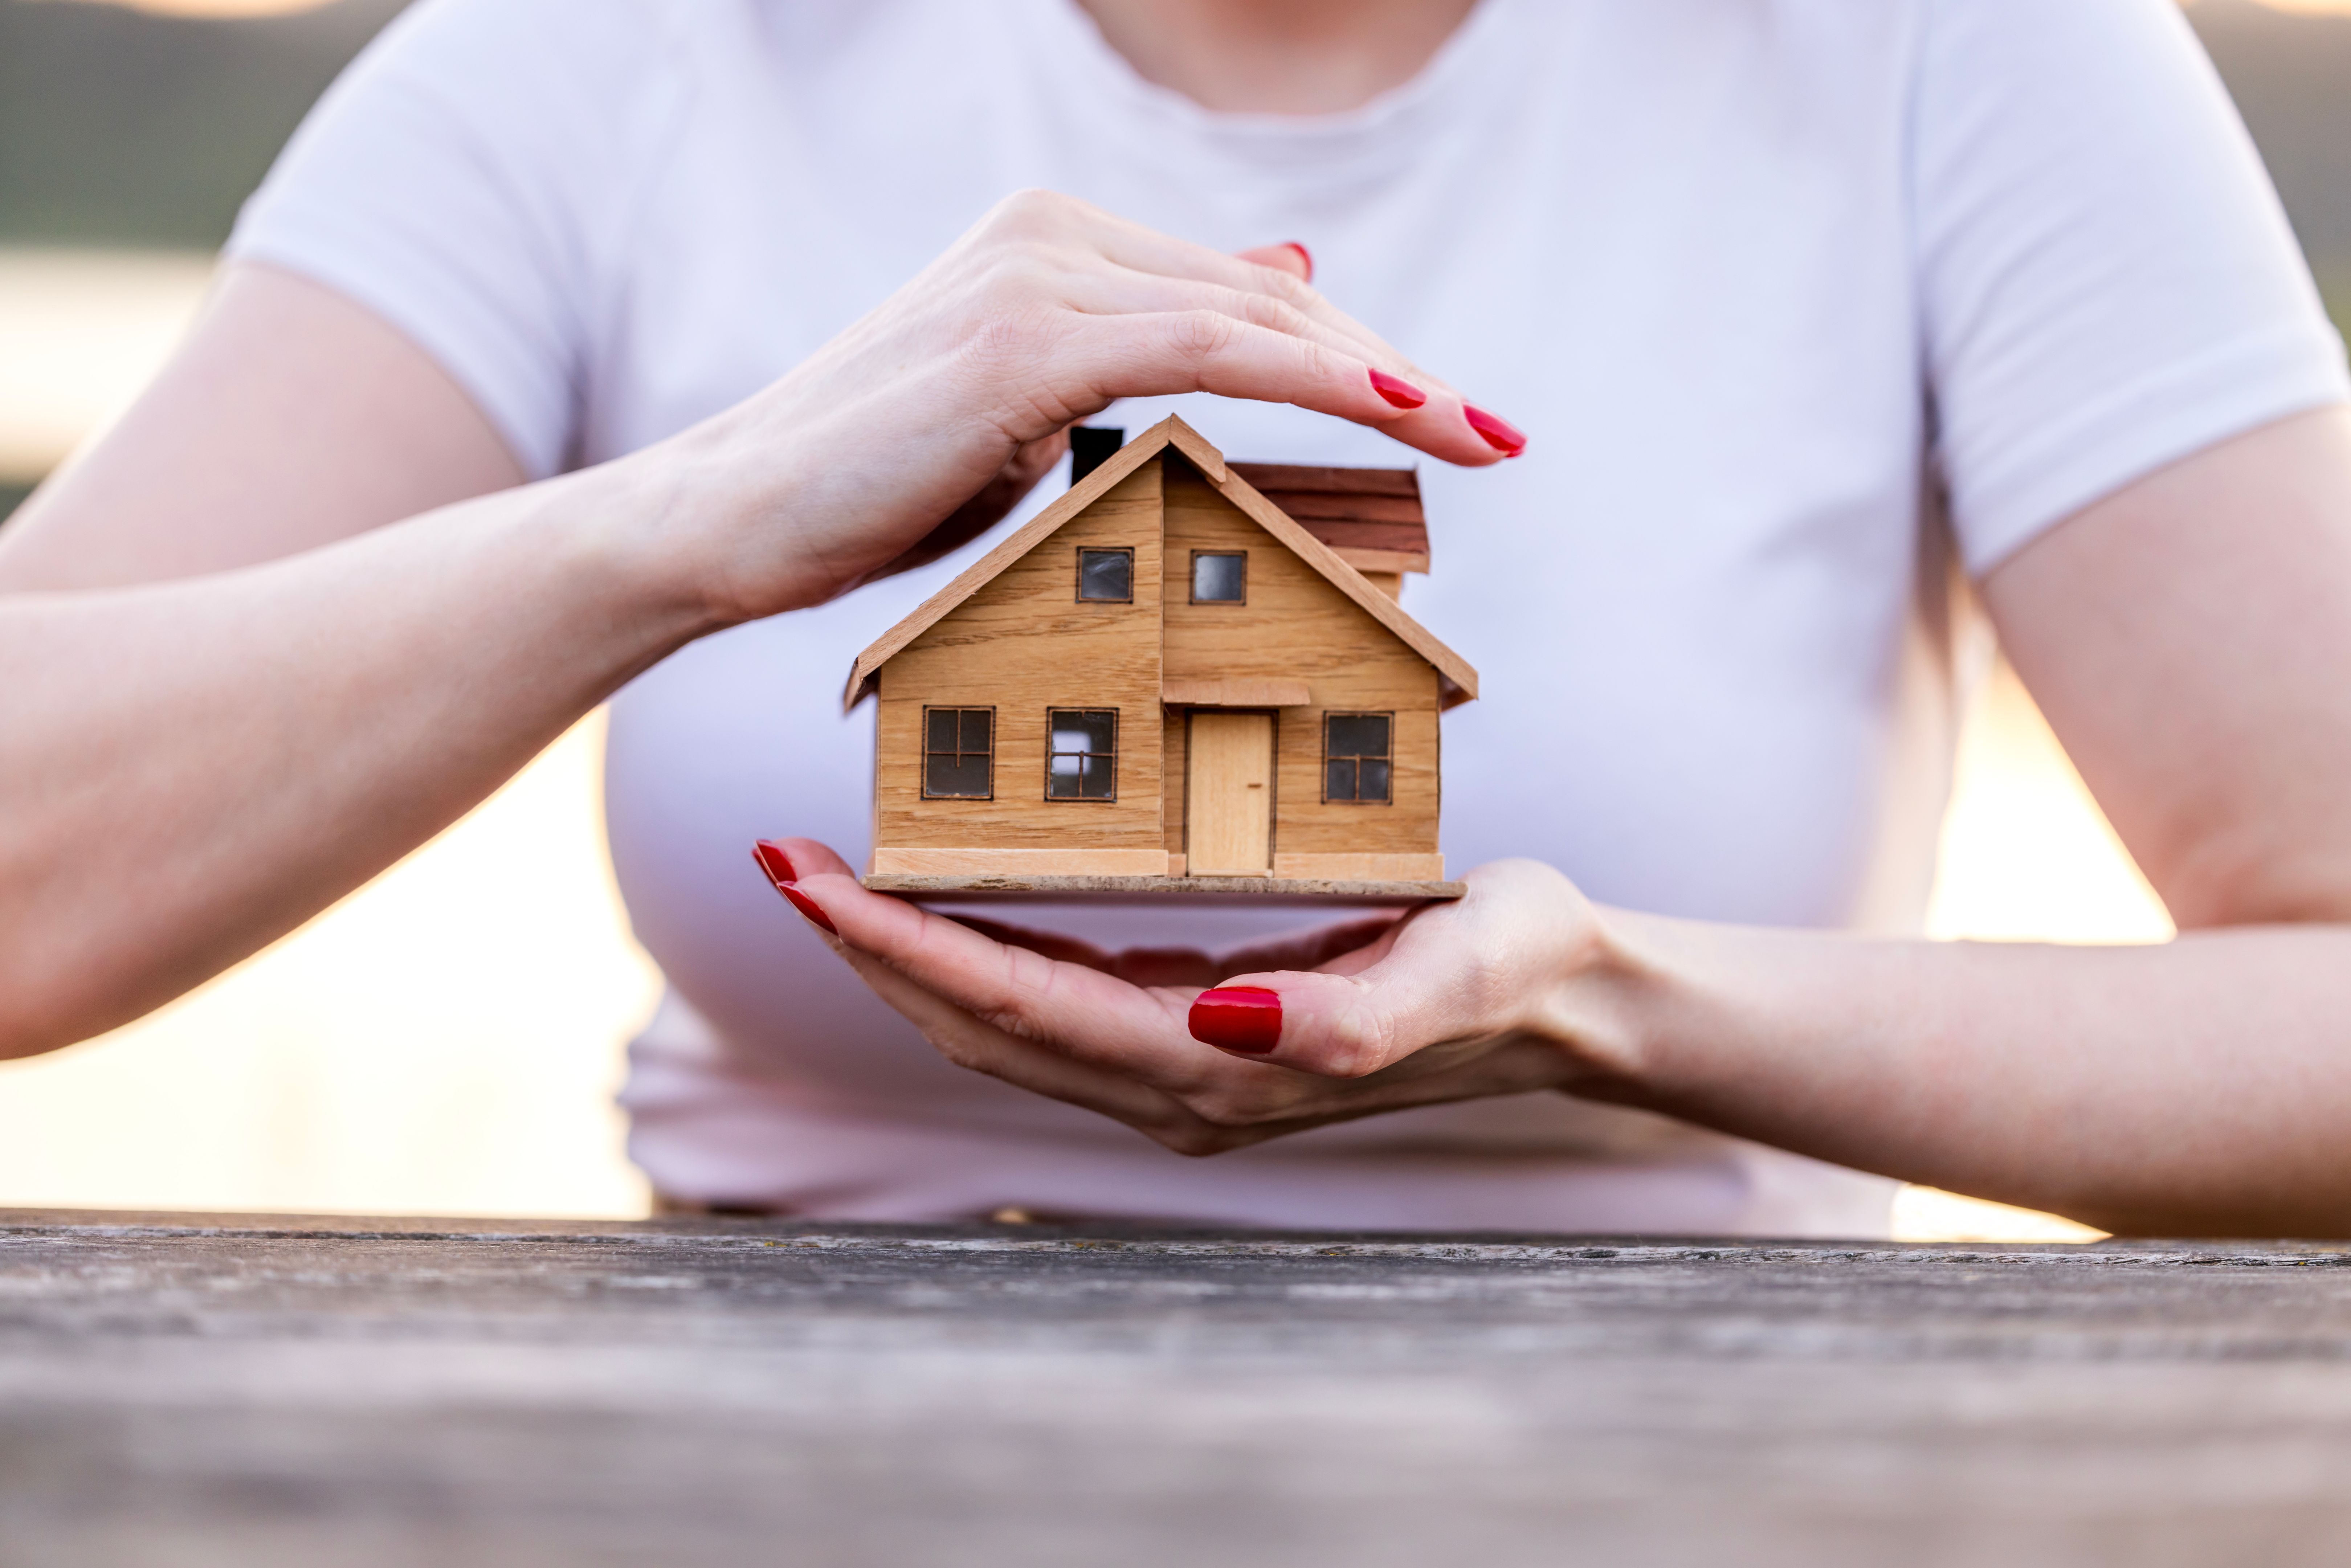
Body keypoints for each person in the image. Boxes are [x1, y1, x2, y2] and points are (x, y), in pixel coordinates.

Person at [2, 0, 2347, 1238]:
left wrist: (1618, 1002)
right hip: (747, 1435)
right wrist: (691, 522)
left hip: (1685, 1457)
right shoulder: (613, 52)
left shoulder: (1959, 48)